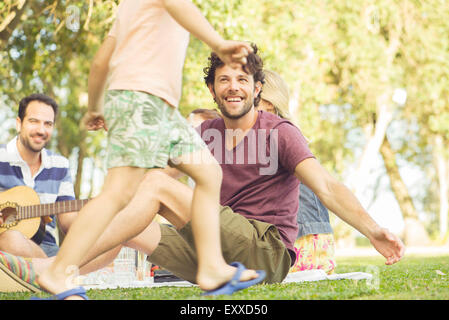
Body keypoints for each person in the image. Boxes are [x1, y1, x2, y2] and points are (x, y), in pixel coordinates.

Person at [1, 45, 404, 296]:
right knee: (136, 225)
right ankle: (47, 273)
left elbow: (328, 187)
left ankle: (55, 265)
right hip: (221, 256)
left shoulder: (280, 133)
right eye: (223, 79)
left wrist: (373, 230)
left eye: (242, 79)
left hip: (266, 251)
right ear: (212, 89)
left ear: (257, 88)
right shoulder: (205, 133)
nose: (233, 87)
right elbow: (147, 185)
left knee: (158, 188)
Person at [36, 0, 262, 299]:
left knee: (208, 173)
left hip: (162, 109)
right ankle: (58, 270)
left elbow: (101, 61)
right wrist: (218, 44)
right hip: (141, 101)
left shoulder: (129, 8)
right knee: (119, 193)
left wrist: (95, 106)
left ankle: (211, 267)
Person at [257, 70, 336, 274]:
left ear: (268, 104)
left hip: (299, 245)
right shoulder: (287, 132)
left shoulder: (272, 135)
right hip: (319, 244)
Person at [0, 94, 78, 259]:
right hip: (5, 248)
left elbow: (69, 222)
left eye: (48, 124)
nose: (41, 130)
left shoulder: (60, 165)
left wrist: (98, 216)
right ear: (19, 123)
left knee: (115, 237)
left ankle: (48, 271)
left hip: (47, 249)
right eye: (34, 121)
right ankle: (53, 273)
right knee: (12, 239)